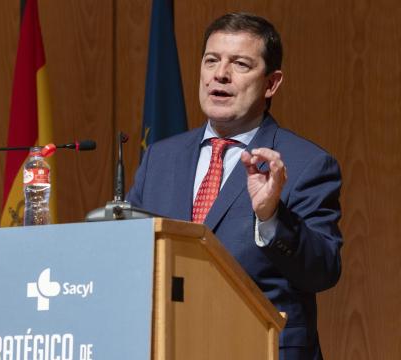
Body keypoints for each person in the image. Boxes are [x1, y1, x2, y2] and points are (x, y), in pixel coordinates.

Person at [127, 12, 342, 359]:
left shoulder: (306, 164)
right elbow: (130, 255)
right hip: (169, 345)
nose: (220, 74)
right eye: (211, 60)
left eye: (240, 64)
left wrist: (272, 216)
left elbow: (323, 271)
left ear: (271, 83)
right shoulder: (159, 159)